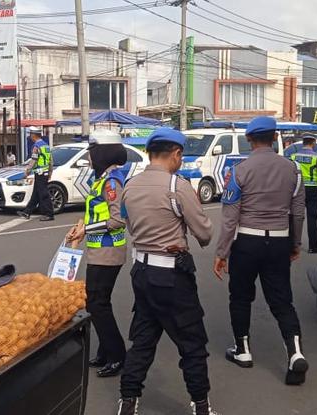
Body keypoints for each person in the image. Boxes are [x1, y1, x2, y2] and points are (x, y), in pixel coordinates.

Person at [118, 127, 218, 415]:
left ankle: (128, 400)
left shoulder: (130, 185)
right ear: (175, 154)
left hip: (141, 273)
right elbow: (205, 233)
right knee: (192, 342)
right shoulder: (178, 186)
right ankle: (201, 406)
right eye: (181, 155)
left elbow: (127, 221)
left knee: (144, 339)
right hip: (172, 277)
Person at [212, 117, 308, 385]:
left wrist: (222, 252)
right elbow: (298, 213)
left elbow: (230, 217)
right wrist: (295, 244)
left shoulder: (240, 170)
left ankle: (242, 350)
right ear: (275, 137)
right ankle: (295, 352)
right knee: (282, 300)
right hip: (279, 240)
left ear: (250, 139)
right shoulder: (294, 170)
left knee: (240, 297)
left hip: (247, 241)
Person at [65, 130, 129, 378]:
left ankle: (117, 356)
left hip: (108, 251)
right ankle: (106, 351)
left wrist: (86, 230)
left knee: (96, 303)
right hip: (98, 248)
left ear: (103, 153)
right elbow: (96, 212)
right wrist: (82, 226)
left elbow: (117, 220)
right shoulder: (101, 179)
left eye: (92, 151)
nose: (89, 156)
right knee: (99, 303)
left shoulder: (112, 182)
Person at [290, 133, 317, 254]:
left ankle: (293, 245)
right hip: (312, 190)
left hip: (297, 188)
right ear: (313, 143)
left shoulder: (293, 156)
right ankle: (313, 247)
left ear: (303, 142)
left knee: (295, 217)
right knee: (312, 219)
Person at [18, 127, 54, 221]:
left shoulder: (36, 146)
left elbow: (34, 160)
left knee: (43, 194)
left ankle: (49, 214)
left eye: (30, 134)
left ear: (33, 135)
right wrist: (50, 172)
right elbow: (51, 161)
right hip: (45, 172)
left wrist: (27, 171)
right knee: (36, 194)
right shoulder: (46, 146)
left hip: (40, 173)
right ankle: (27, 212)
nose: (30, 136)